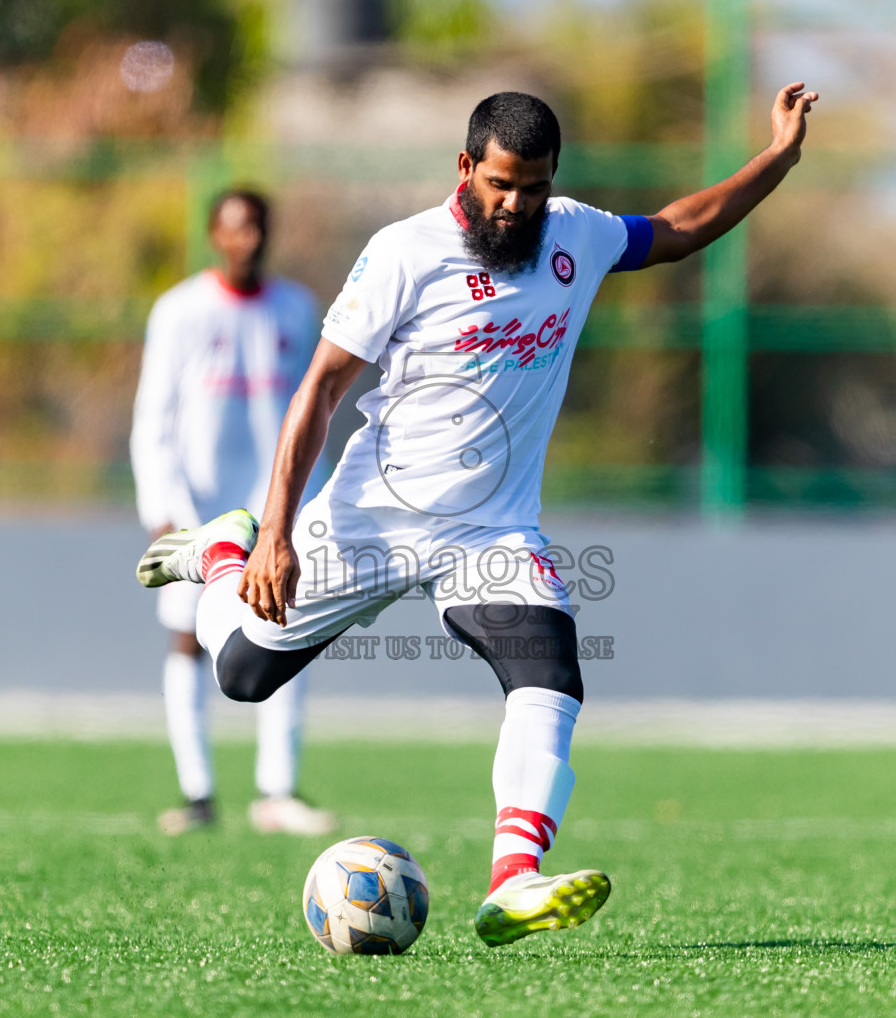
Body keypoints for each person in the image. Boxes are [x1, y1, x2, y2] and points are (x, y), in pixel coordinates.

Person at [137, 84, 818, 943]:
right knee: (242, 675)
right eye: (502, 184)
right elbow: (318, 391)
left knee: (552, 667)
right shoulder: (403, 253)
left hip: (489, 533)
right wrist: (272, 533)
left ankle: (514, 880)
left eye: (534, 187)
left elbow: (679, 227)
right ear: (465, 167)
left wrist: (778, 158)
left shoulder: (574, 233)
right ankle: (224, 554)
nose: (517, 204)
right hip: (372, 519)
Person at [129, 189, 336, 837]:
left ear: (268, 234)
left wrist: (312, 503)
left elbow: (318, 408)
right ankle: (198, 793)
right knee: (189, 640)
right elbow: (153, 416)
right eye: (232, 229)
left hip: (276, 508)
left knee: (285, 629)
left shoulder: (298, 309)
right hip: (198, 510)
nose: (244, 240)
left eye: (255, 229)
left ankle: (277, 791)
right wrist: (162, 505)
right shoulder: (180, 311)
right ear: (215, 236)